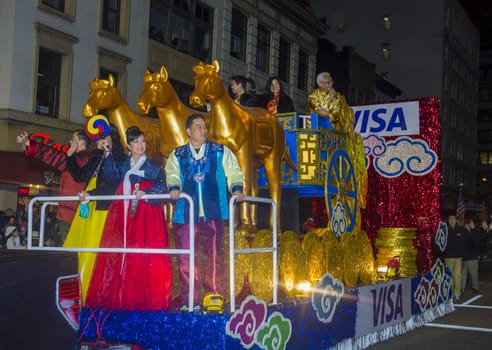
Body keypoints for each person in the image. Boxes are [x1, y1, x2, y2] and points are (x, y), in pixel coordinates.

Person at [85, 126, 172, 311]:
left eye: (142, 141)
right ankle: (117, 297)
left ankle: (141, 300)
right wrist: (107, 155)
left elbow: (163, 188)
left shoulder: (153, 167)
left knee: (142, 255)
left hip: (146, 218)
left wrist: (147, 192)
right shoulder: (124, 165)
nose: (140, 145)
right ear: (129, 145)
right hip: (123, 216)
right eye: (136, 142)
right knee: (120, 253)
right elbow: (110, 178)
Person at [165, 113, 244, 306]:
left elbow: (234, 170)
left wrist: (236, 187)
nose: (203, 130)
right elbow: (171, 173)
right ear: (188, 131)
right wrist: (174, 187)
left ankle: (214, 295)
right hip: (185, 214)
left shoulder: (219, 151)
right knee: (185, 258)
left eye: (204, 127)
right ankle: (189, 299)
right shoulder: (178, 154)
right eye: (198, 127)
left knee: (215, 255)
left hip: (213, 212)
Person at [64, 125, 126, 304]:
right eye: (99, 139)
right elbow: (80, 175)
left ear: (112, 138)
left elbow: (112, 183)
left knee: (95, 250)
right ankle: (77, 291)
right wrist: (69, 156)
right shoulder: (97, 155)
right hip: (88, 206)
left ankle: (93, 293)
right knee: (81, 248)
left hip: (103, 209)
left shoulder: (120, 158)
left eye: (104, 138)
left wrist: (92, 194)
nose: (101, 142)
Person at [17, 130, 92, 244]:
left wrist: (30, 144)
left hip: (71, 211)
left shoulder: (80, 159)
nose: (70, 141)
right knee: (77, 243)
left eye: (72, 139)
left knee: (70, 245)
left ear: (80, 142)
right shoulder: (87, 158)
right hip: (80, 209)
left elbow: (54, 157)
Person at [444, 214, 466, 302]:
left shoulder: (460, 230)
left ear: (456, 220)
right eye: (450, 219)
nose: (452, 221)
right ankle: (450, 294)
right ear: (448, 221)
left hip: (458, 257)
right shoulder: (445, 231)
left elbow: (464, 243)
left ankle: (457, 294)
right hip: (448, 257)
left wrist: (463, 255)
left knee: (458, 275)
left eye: (453, 219)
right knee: (449, 276)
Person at [461, 219, 481, 294]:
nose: (467, 226)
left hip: (470, 257)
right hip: (468, 257)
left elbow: (477, 241)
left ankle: (473, 288)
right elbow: (475, 240)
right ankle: (464, 289)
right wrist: (473, 229)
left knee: (472, 275)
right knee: (465, 275)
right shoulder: (467, 233)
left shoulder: (472, 233)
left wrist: (473, 229)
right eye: (467, 224)